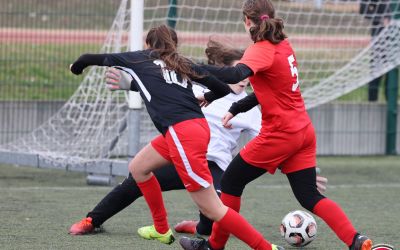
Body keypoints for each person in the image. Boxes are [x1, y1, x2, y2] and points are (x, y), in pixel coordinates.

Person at [69, 39, 328, 237]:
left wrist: (299, 172)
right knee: (137, 178)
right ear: (222, 71)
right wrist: (130, 85)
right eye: (238, 72)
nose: (244, 80)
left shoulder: (247, 109)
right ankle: (93, 220)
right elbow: (164, 86)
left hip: (213, 166)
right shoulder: (201, 87)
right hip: (182, 156)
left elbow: (272, 142)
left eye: (247, 76)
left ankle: (199, 228)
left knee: (215, 214)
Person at [179, 1, 372, 250]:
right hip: (303, 132)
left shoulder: (261, 49)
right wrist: (236, 107)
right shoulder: (284, 45)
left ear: (247, 21)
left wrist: (193, 67)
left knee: (230, 183)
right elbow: (271, 89)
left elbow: (236, 75)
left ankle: (214, 246)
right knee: (309, 196)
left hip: (280, 134)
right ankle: (356, 240)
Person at [360, 0, 391, 101]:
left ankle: (390, 101)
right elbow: (363, 9)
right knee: (377, 71)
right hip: (380, 36)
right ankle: (372, 102)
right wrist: (381, 19)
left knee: (392, 73)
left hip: (395, 36)